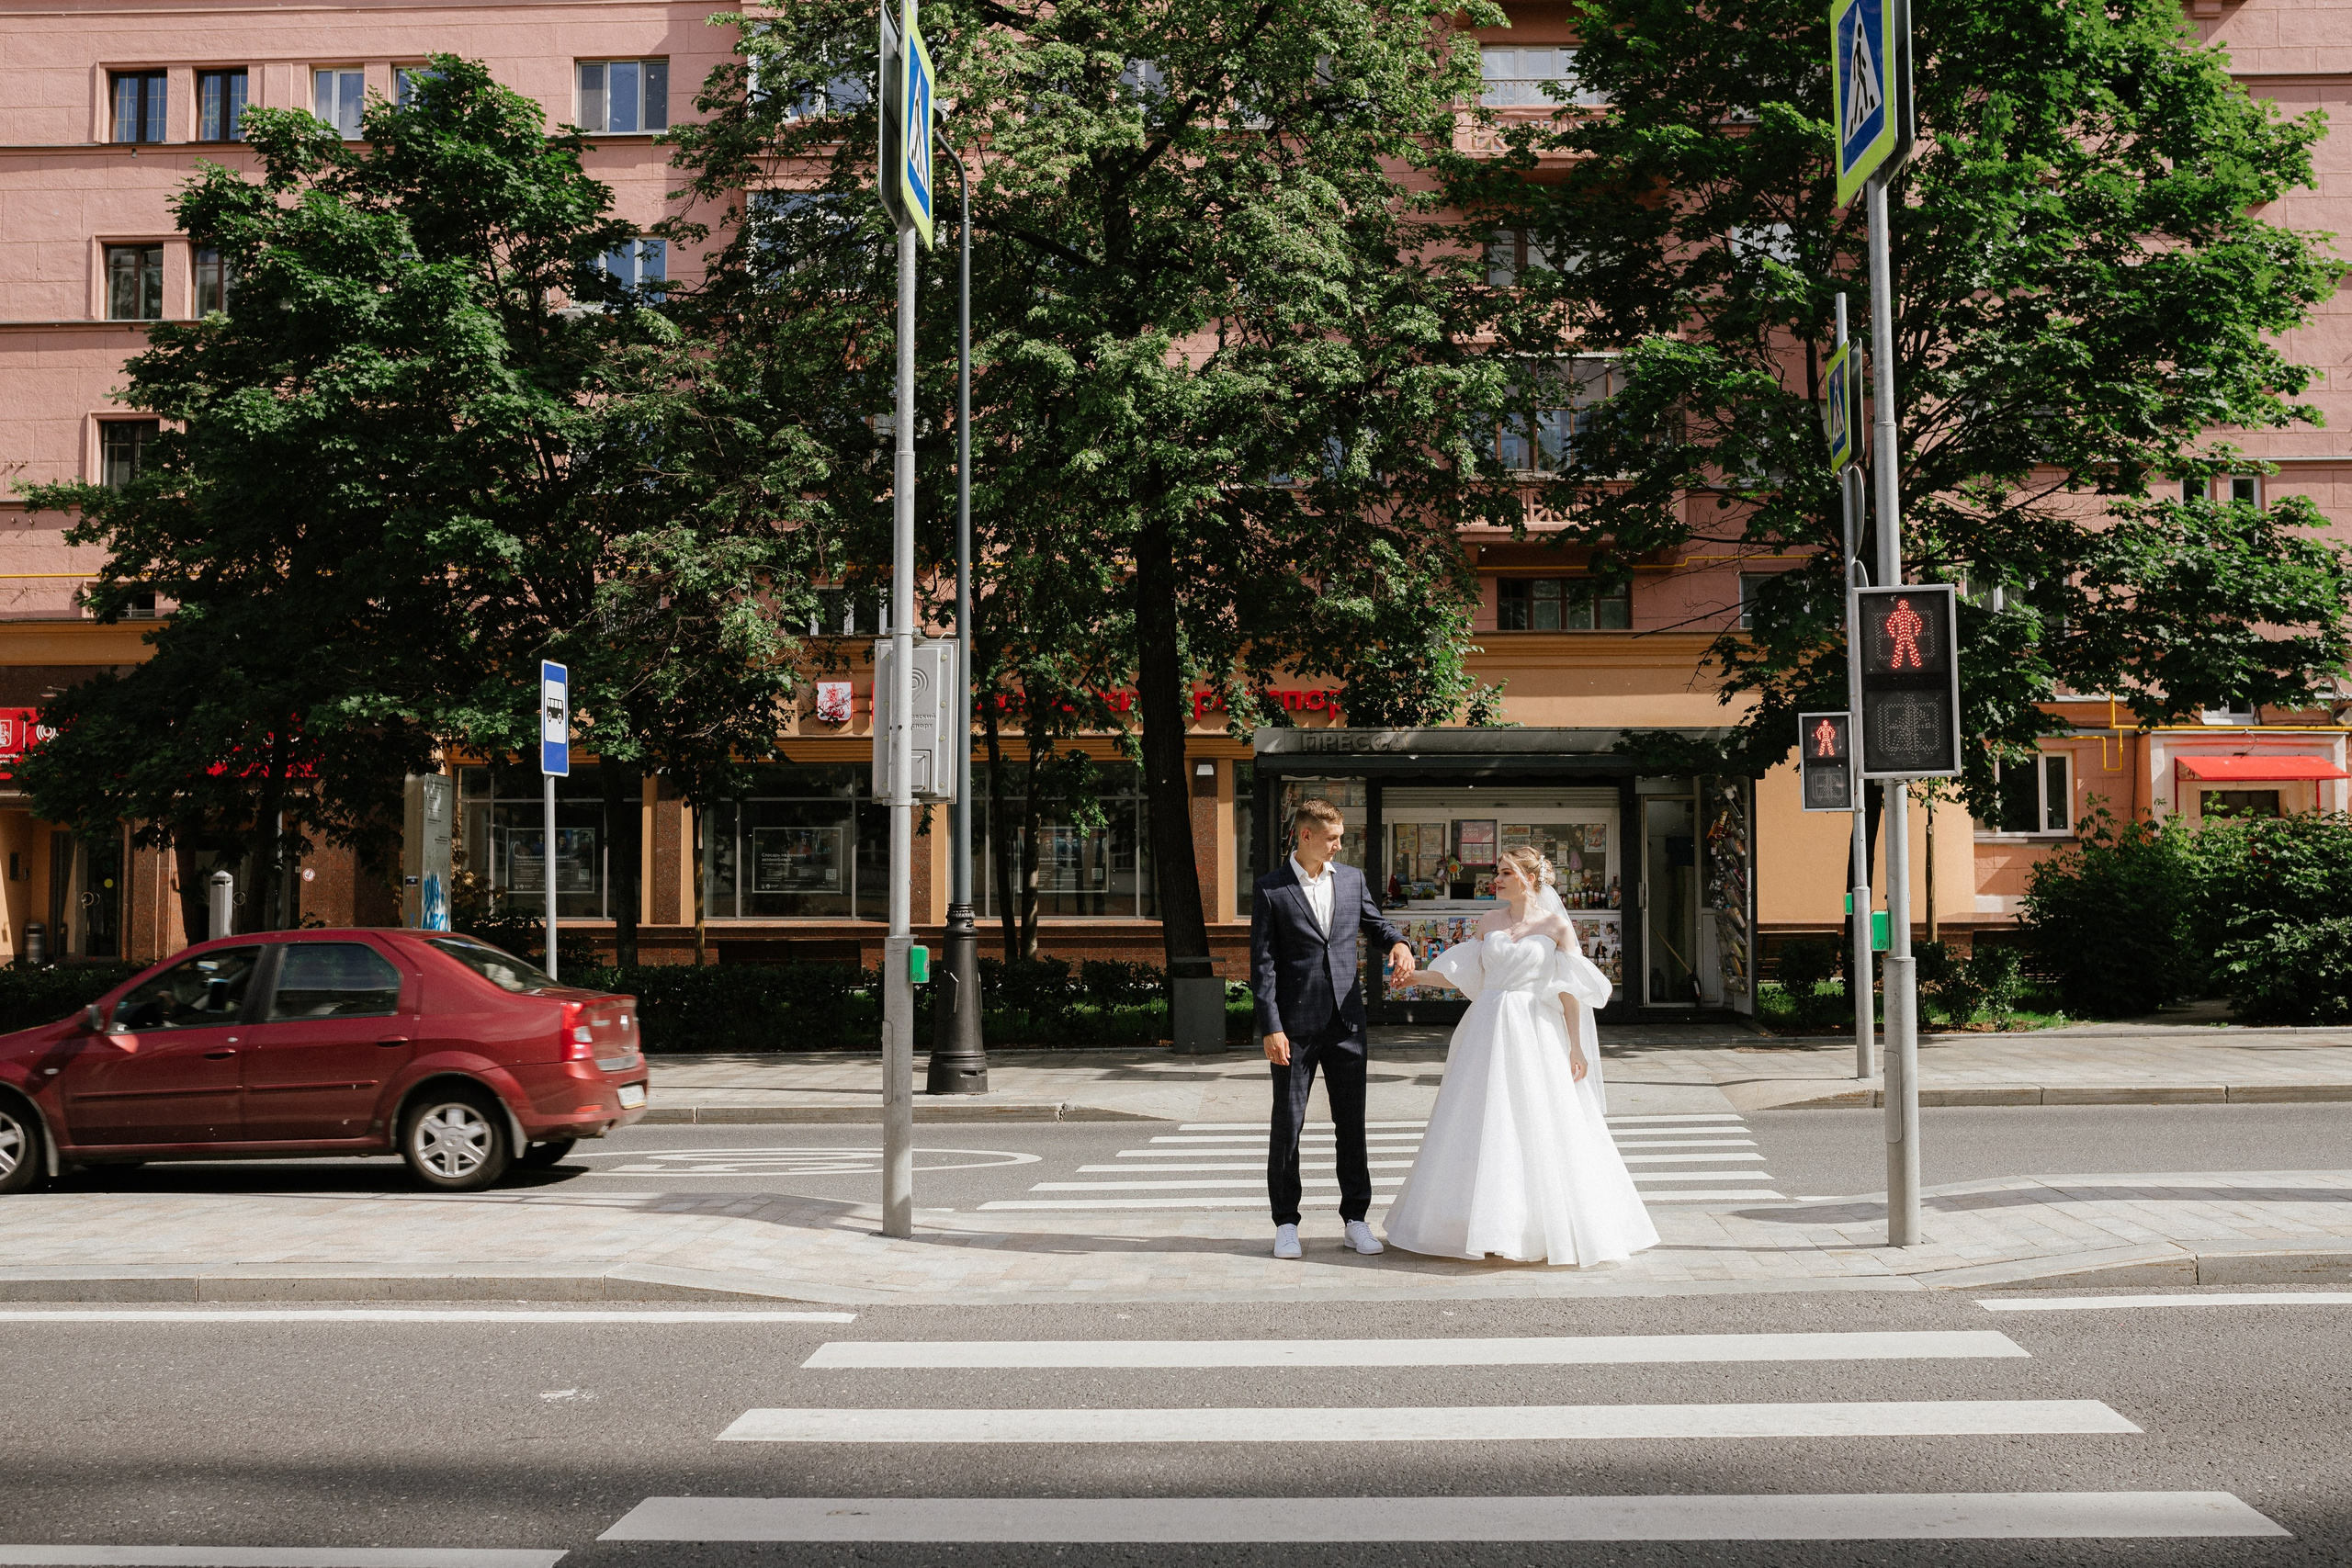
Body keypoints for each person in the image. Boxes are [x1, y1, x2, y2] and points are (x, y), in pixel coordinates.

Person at [1383, 845, 1658, 1266]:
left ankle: (1539, 1227)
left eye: (1507, 872)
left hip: (1535, 1031)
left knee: (1538, 1122)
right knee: (1480, 1121)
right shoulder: (1488, 922)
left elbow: (1568, 991)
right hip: (1485, 1029)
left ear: (1530, 878)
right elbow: (1463, 971)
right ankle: (1477, 1224)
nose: (1497, 877)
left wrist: (1576, 1046)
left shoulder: (1556, 926)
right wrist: (1413, 977)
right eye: (1498, 871)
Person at [1250, 796, 1415, 1260]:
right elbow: (1262, 966)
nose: (1340, 846)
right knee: (1289, 1125)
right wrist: (1271, 1026)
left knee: (1353, 1125)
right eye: (1333, 838)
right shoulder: (1271, 889)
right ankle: (1285, 1223)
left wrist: (1399, 944)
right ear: (1305, 836)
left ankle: (1356, 1220)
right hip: (1293, 1028)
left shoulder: (1352, 881)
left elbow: (1376, 925)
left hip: (1347, 1023)